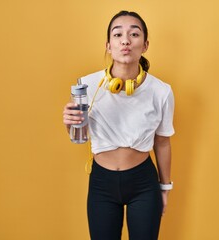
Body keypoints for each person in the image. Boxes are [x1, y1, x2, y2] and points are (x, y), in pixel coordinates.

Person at [63, 10, 175, 240]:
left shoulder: (161, 91)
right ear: (108, 45)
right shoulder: (86, 86)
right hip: (101, 182)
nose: (125, 40)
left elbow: (162, 142)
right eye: (118, 34)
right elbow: (80, 135)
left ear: (144, 45)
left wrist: (165, 188)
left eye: (134, 34)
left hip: (143, 183)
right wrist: (70, 123)